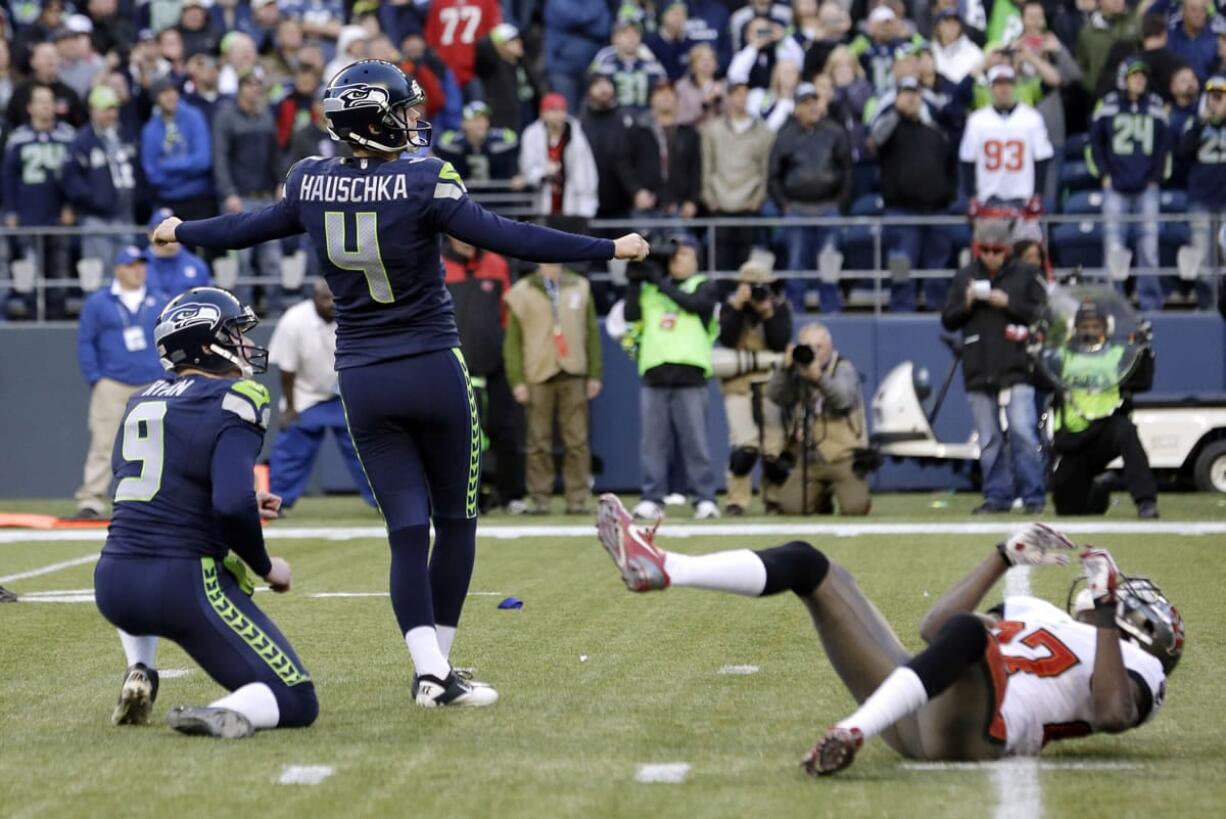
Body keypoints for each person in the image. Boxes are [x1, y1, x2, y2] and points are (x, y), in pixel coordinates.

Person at [151, 60, 648, 707]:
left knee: (407, 531)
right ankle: (435, 670)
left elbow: (245, 229)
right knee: (457, 522)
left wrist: (179, 229)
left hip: (361, 374)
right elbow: (507, 234)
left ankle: (431, 671)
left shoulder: (309, 181)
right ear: (378, 117)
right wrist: (610, 248)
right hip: (432, 366)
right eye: (406, 109)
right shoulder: (424, 179)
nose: (416, 119)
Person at [594, 501, 1182, 775]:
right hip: (920, 701)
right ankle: (665, 566)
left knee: (970, 633)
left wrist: (1105, 612)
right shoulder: (1040, 611)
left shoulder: (1137, 663)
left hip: (976, 731)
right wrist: (1001, 557)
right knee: (809, 564)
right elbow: (932, 633)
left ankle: (851, 732)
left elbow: (1109, 711)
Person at [94, 287, 318, 739]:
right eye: (233, 333)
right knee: (297, 698)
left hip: (115, 584)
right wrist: (266, 566)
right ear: (203, 343)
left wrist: (237, 498)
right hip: (180, 583)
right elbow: (230, 506)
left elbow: (147, 492)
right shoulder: (238, 396)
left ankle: (141, 666)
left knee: (145, 555)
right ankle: (221, 709)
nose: (243, 344)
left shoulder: (141, 399)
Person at [941, 220, 1048, 514]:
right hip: (978, 365)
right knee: (988, 438)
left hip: (1016, 365)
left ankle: (1033, 497)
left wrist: (1008, 302)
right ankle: (997, 497)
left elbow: (1042, 314)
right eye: (984, 250)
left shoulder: (1026, 275)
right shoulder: (965, 276)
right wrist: (966, 303)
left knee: (1022, 432)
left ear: (1007, 249)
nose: (990, 256)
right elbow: (948, 319)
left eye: (996, 250)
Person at [623, 235, 721, 521]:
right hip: (655, 373)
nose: (677, 260)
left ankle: (704, 497)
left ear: (696, 260)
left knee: (696, 442)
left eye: (684, 255)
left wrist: (658, 280)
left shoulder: (704, 286)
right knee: (653, 444)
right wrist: (634, 281)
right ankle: (652, 497)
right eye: (674, 256)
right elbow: (631, 314)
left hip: (690, 373)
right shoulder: (651, 291)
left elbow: (693, 304)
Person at [74, 247, 167, 520]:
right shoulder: (99, 302)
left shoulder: (159, 299)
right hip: (112, 383)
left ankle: (155, 499)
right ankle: (91, 498)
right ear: (118, 269)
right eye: (132, 265)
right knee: (103, 442)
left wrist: (169, 375)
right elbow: (85, 341)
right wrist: (95, 376)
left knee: (156, 445)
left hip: (153, 383)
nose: (139, 270)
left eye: (142, 265)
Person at [267, 279, 375, 510]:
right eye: (326, 298)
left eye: (336, 298)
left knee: (367, 450)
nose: (332, 304)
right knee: (291, 451)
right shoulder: (293, 321)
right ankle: (277, 503)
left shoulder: (354, 314)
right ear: (314, 297)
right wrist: (289, 408)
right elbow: (287, 370)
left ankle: (383, 502)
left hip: (346, 394)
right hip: (305, 396)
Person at [503, 262, 603, 515]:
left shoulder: (580, 286)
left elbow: (591, 333)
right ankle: (540, 499)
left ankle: (577, 498)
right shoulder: (522, 290)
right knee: (538, 441)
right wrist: (517, 380)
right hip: (538, 372)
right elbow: (512, 341)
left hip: (573, 370)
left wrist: (595, 373)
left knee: (578, 441)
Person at [1047, 299, 1159, 518]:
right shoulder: (1062, 355)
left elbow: (1141, 382)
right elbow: (1040, 378)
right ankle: (1101, 489)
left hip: (1105, 429)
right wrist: (1036, 348)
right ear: (1075, 328)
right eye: (1085, 326)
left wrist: (1144, 351)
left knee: (1126, 430)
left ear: (1106, 329)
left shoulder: (1118, 353)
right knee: (1066, 509)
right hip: (1073, 437)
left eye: (1095, 326)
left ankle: (1146, 502)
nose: (1090, 331)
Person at [442, 235, 525, 515]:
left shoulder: (496, 264)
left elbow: (506, 315)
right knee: (456, 436)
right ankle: (459, 497)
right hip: (452, 367)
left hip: (495, 364)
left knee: (506, 429)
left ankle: (512, 494)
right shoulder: (437, 265)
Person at [1088, 57, 1170, 311]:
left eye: (1142, 76)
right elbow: (1094, 143)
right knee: (1114, 247)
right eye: (1135, 76)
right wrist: (1103, 174)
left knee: (1149, 248)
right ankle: (1115, 304)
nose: (1139, 80)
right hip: (1115, 186)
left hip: (1146, 187)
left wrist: (1156, 178)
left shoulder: (1155, 107)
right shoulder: (1108, 106)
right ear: (1123, 79)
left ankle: (1150, 303)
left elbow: (1163, 147)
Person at [765, 322, 870, 515]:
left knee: (855, 508)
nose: (814, 352)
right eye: (808, 347)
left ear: (830, 347)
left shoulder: (844, 368)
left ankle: (845, 492)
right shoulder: (797, 372)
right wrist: (784, 369)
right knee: (791, 508)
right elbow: (775, 396)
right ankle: (821, 500)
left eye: (819, 347)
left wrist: (820, 379)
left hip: (842, 456)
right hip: (808, 459)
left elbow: (843, 400)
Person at [871, 76, 956, 312]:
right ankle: (901, 308)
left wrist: (947, 194)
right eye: (905, 93)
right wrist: (897, 112)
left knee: (936, 268)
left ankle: (936, 309)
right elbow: (875, 138)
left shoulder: (934, 132)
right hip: (901, 211)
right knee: (900, 266)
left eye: (915, 93)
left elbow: (949, 166)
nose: (910, 98)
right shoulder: (889, 126)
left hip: (936, 210)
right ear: (897, 97)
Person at [768, 82, 853, 312]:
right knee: (796, 262)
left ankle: (831, 307)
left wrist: (839, 203)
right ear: (796, 108)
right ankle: (795, 308)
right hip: (796, 208)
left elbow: (846, 170)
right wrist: (784, 205)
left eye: (814, 101)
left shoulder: (835, 132)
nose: (812, 107)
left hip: (827, 207)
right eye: (806, 103)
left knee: (830, 261)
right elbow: (774, 175)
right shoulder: (785, 136)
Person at [718, 260, 791, 516]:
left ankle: (774, 498)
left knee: (773, 445)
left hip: (771, 382)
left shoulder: (779, 308)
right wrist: (738, 306)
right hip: (738, 381)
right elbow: (726, 339)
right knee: (744, 444)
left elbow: (780, 342)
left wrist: (767, 312)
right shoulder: (729, 308)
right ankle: (737, 499)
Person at [2, 83, 76, 319]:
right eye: (41, 101)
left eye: (50, 100)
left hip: (58, 214)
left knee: (59, 267)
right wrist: (11, 210)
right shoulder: (19, 138)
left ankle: (57, 313)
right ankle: (30, 311)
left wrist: (71, 205)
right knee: (27, 268)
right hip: (28, 214)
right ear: (30, 107)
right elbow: (8, 177)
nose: (47, 105)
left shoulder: (67, 135)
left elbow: (77, 176)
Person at [213, 68, 283, 313]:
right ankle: (241, 312)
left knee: (272, 259)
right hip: (239, 197)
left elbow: (275, 154)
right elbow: (220, 158)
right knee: (241, 262)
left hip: (265, 195)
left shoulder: (265, 116)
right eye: (250, 84)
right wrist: (228, 192)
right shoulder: (226, 117)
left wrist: (280, 182)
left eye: (258, 85)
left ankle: (274, 307)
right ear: (240, 88)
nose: (255, 90)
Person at [701, 78, 775, 272]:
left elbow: (765, 168)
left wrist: (758, 198)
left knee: (748, 260)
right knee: (721, 260)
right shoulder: (713, 129)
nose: (740, 99)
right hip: (720, 202)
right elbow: (707, 166)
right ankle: (722, 300)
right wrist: (710, 198)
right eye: (736, 94)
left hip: (749, 204)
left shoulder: (762, 131)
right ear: (728, 97)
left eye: (744, 94)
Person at [959, 64, 1054, 207]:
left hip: (1023, 198)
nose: (1003, 89)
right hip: (987, 199)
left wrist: (1037, 194)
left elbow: (1041, 158)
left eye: (1008, 83)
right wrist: (972, 196)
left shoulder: (1032, 118)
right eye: (998, 84)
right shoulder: (977, 120)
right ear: (990, 88)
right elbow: (968, 159)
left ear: (1014, 86)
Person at [1179, 73, 1226, 311]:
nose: (1217, 101)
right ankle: (1208, 306)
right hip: (1201, 198)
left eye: (1222, 96)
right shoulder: (1194, 121)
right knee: (1203, 258)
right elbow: (1183, 153)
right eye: (1214, 96)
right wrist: (1201, 123)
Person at [141, 75, 214, 221]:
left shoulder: (194, 117)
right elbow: (153, 174)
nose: (171, 97)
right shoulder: (150, 129)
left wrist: (168, 165)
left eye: (173, 91)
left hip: (199, 200)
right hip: (168, 202)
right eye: (164, 93)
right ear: (156, 98)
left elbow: (203, 161)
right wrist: (187, 174)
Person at [517, 93, 599, 218]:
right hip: (542, 205)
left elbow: (586, 175)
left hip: (573, 207)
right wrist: (545, 171)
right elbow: (528, 169)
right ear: (543, 113)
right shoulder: (532, 135)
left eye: (561, 110)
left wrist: (587, 208)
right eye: (553, 110)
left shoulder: (576, 135)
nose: (558, 115)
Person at [433, 101, 519, 183]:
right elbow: (438, 148)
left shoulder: (501, 138)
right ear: (464, 123)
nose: (480, 124)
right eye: (476, 120)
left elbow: (514, 142)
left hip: (496, 194)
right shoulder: (453, 141)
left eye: (483, 120)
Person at [144, 208, 211, 301]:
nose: (171, 233)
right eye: (165, 229)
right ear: (151, 235)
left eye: (176, 227)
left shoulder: (197, 266)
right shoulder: (137, 265)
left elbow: (208, 302)